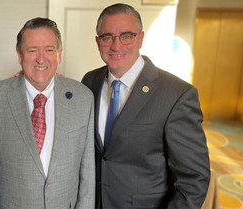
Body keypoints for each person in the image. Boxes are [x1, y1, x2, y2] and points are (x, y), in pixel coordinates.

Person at [81, 3, 210, 209]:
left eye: (127, 36)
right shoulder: (89, 81)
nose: (116, 45)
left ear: (140, 38)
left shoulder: (177, 94)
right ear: (98, 42)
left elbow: (194, 180)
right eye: (107, 37)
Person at [0, 17, 95, 208]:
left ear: (59, 55)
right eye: (32, 50)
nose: (41, 58)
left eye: (49, 50)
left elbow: (87, 172)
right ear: (19, 55)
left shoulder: (83, 98)